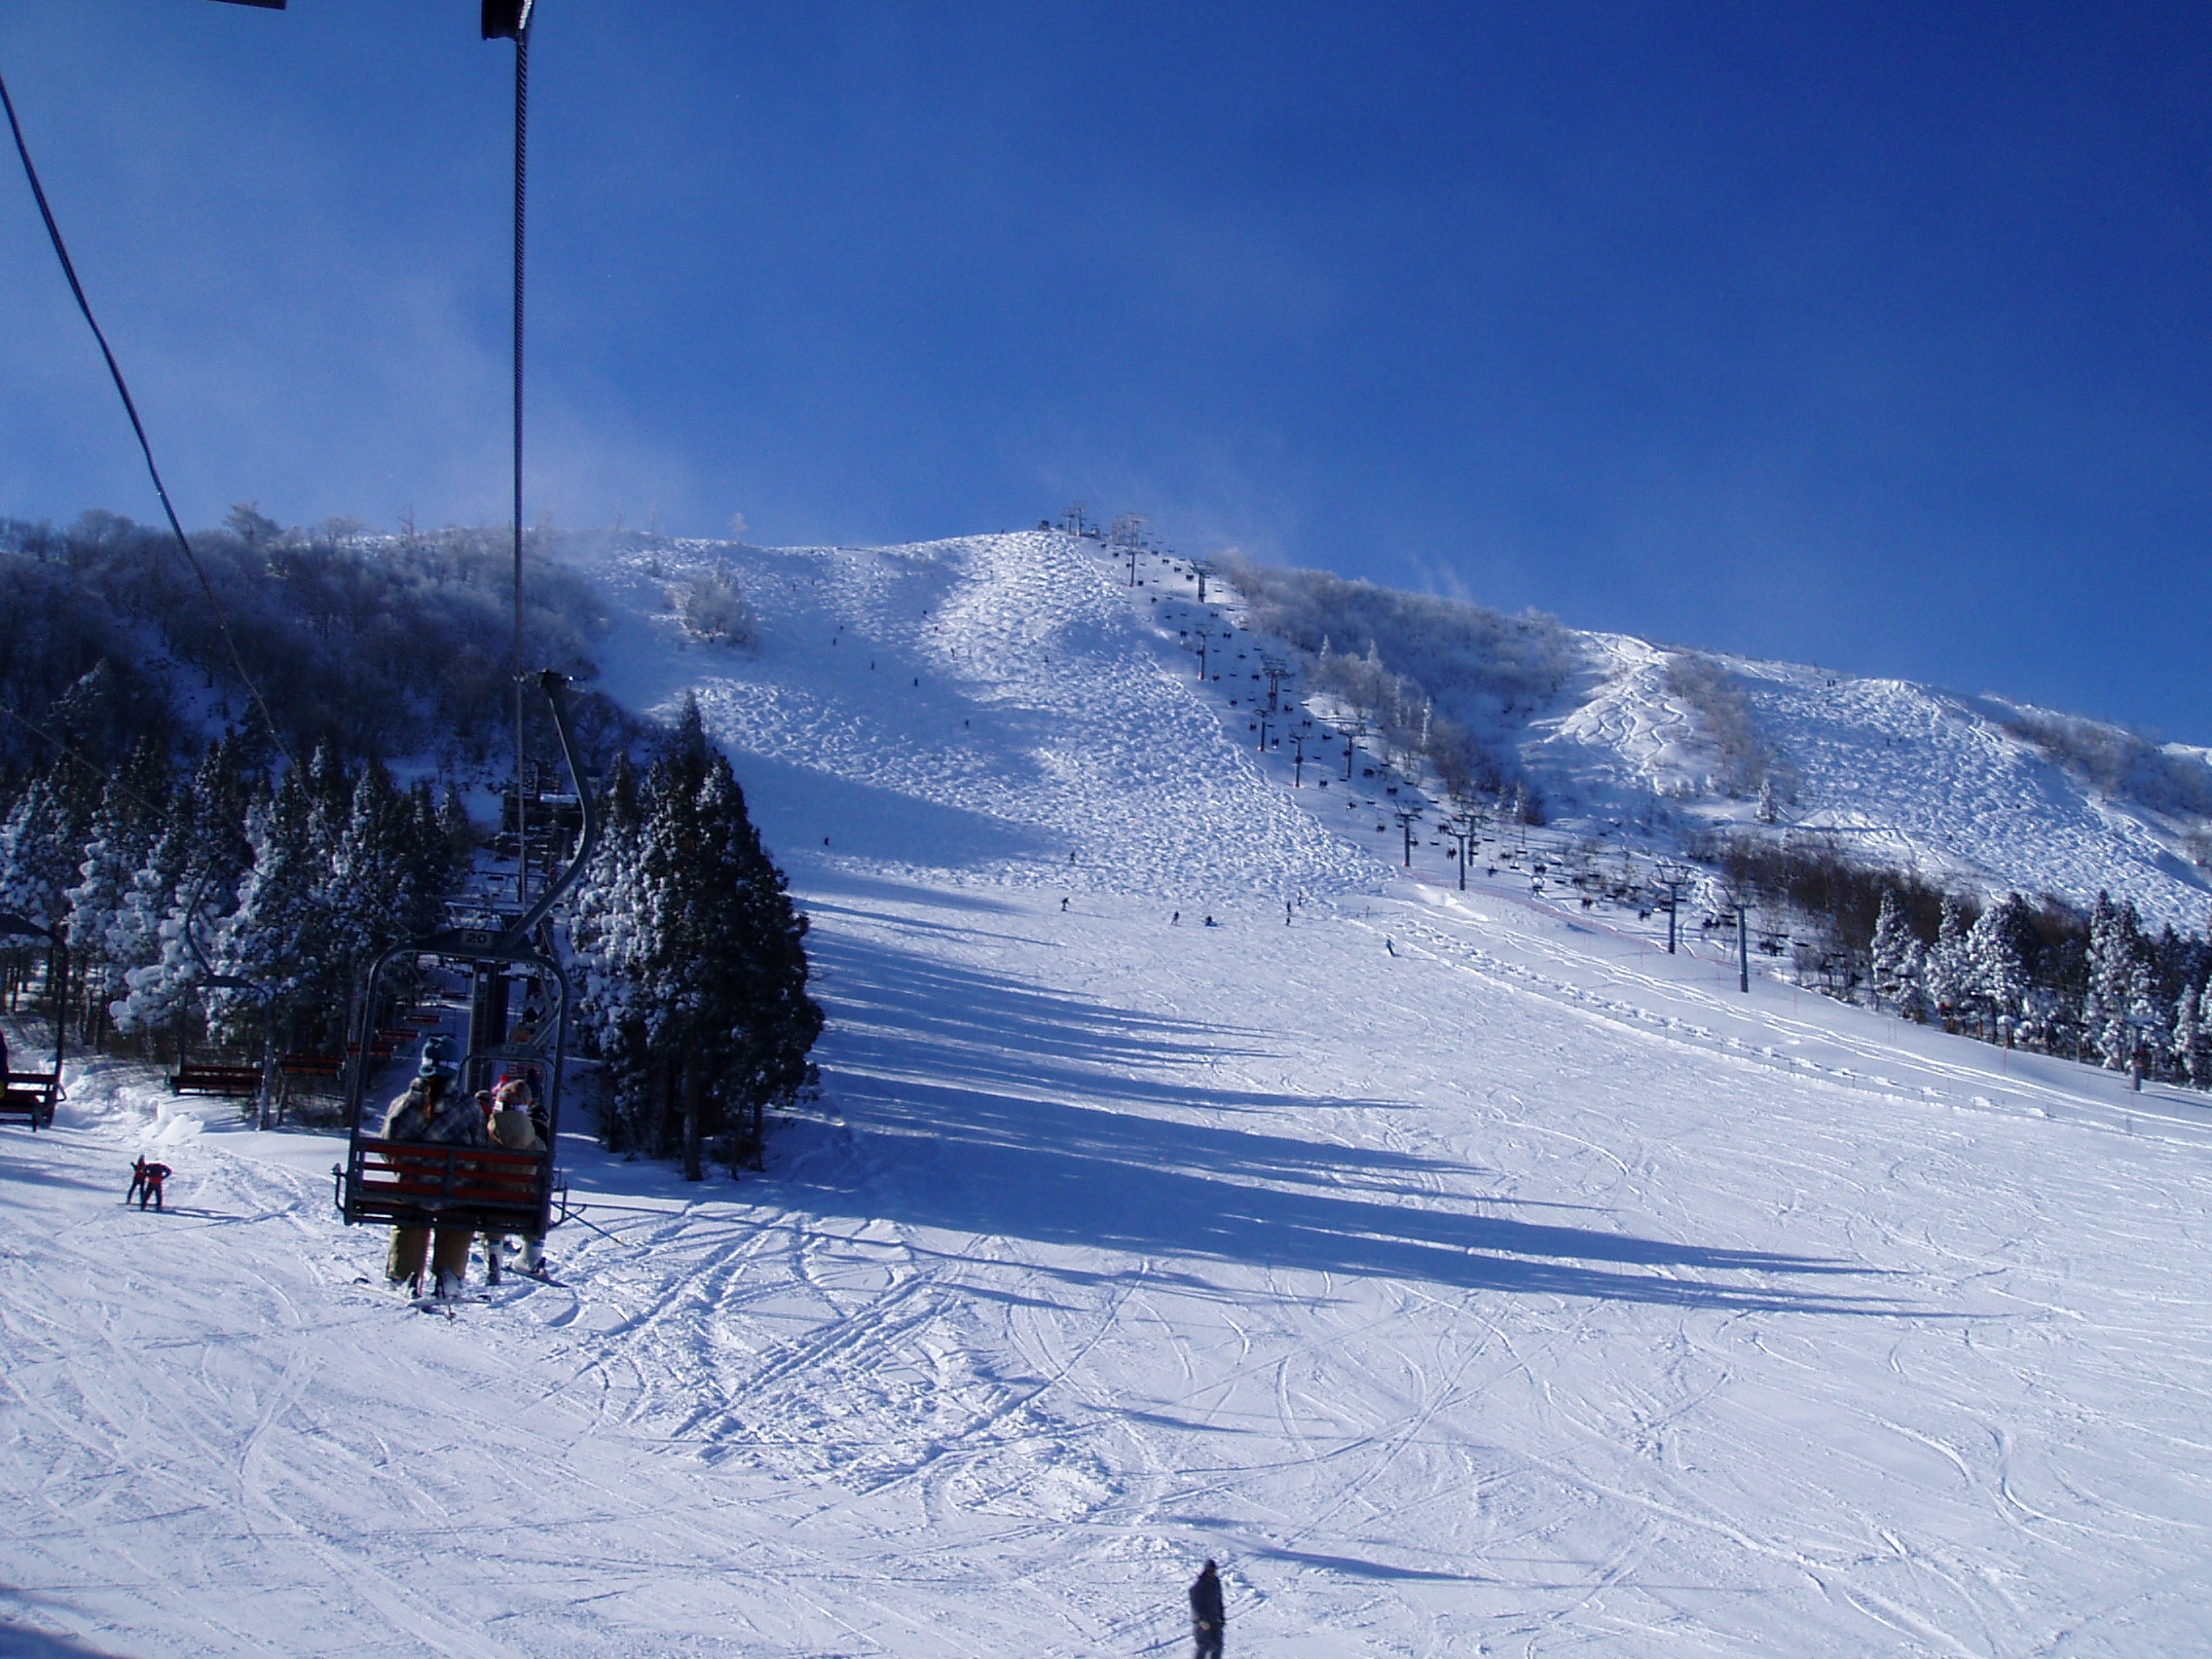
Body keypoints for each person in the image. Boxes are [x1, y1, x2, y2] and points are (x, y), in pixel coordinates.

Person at [382, 1040, 485, 1298]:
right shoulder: (468, 1107)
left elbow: (388, 1148)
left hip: (413, 1193)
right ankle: (448, 1275)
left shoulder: (403, 1105)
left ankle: (404, 1273)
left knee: (411, 1204)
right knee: (459, 1210)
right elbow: (482, 1150)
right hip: (455, 1197)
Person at [484, 1078, 549, 1281]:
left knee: (489, 1192)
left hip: (485, 1200)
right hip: (525, 1203)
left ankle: (493, 1254)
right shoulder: (532, 1136)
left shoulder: (488, 1129)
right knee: (538, 1196)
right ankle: (530, 1258)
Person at [1189, 1560, 1225, 1659]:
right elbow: (1195, 1604)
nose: (1211, 1573)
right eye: (1209, 1571)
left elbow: (1219, 1601)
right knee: (1204, 1645)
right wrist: (1201, 1619)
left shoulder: (1216, 1584)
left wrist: (1221, 1616)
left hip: (1215, 1619)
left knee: (1218, 1646)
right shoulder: (1200, 1585)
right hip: (1202, 1622)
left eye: (1213, 1571)